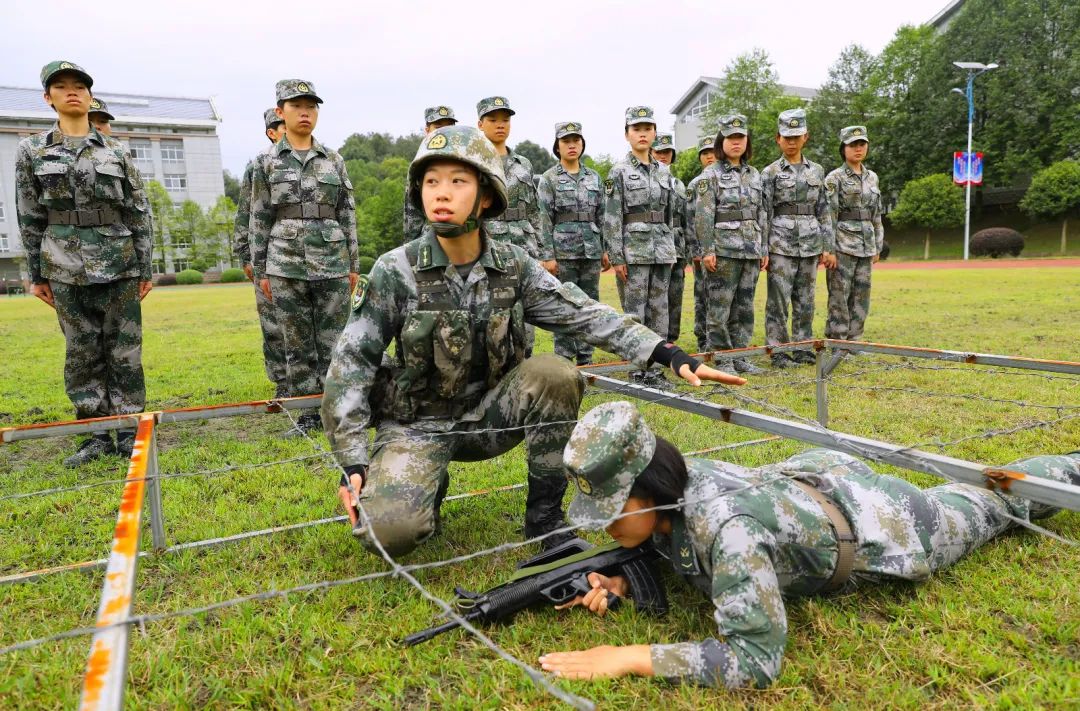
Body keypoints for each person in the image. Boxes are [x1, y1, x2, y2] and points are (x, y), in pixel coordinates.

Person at [320, 126, 745, 558]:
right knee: (385, 536)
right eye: (431, 181)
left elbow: (584, 313)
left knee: (556, 374)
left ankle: (544, 519)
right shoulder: (396, 270)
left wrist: (668, 353)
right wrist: (352, 461)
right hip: (417, 427)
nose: (441, 193)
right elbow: (351, 365)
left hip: (492, 418)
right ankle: (425, 479)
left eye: (457, 181)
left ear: (486, 196)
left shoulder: (514, 268)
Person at [539, 401, 1080, 688]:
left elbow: (753, 660)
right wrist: (622, 581)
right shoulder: (677, 489)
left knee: (996, 498)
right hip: (813, 483)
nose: (604, 526)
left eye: (613, 509)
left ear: (651, 490)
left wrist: (629, 657)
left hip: (886, 523)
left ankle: (1070, 469)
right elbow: (670, 545)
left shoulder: (729, 530)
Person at [15, 60, 152, 465]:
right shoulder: (32, 150)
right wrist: (36, 274)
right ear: (48, 97)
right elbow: (29, 214)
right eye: (61, 86)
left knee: (124, 351)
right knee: (81, 353)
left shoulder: (117, 150)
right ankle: (93, 435)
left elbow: (139, 211)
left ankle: (129, 432)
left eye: (79, 86)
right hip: (63, 264)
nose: (71, 91)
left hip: (120, 260)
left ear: (90, 97)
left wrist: (145, 268)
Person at [249, 79, 359, 434]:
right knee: (296, 344)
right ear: (281, 112)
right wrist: (261, 270)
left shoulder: (333, 160)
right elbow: (259, 217)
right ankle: (306, 415)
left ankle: (337, 409)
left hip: (332, 261)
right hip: (285, 263)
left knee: (335, 340)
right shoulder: (265, 162)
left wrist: (353, 265)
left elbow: (347, 214)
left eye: (311, 107)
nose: (305, 113)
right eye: (297, 107)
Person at [603, 106, 678, 387]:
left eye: (647, 129)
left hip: (661, 249)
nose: (643, 134)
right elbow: (611, 217)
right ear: (627, 135)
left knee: (660, 311)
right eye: (637, 129)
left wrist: (670, 246)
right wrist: (617, 256)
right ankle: (637, 369)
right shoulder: (618, 172)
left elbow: (670, 214)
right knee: (636, 313)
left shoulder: (664, 172)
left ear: (655, 133)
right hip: (633, 251)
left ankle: (656, 370)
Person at [761, 109, 835, 369]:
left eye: (796, 136)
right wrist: (764, 249)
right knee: (778, 301)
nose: (791, 141)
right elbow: (764, 212)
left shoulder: (817, 170)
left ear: (806, 137)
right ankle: (779, 351)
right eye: (786, 136)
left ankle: (803, 349)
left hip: (810, 243)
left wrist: (828, 246)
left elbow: (824, 210)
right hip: (780, 243)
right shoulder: (769, 173)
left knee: (806, 300)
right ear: (778, 139)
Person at [694, 114, 768, 375]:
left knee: (745, 307)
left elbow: (762, 212)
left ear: (747, 141)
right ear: (721, 141)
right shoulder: (710, 175)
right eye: (730, 138)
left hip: (751, 249)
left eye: (740, 137)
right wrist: (707, 250)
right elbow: (703, 215)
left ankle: (742, 356)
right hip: (723, 250)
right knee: (719, 309)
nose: (736, 142)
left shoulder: (755, 174)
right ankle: (723, 359)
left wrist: (764, 248)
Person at [476, 95, 543, 356]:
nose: (500, 124)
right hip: (487, 246)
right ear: (480, 124)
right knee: (489, 310)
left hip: (523, 246)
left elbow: (535, 211)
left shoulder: (523, 164)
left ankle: (525, 364)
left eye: (505, 120)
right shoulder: (473, 161)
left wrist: (543, 250)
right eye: (493, 120)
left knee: (524, 310)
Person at [536, 121, 604, 365]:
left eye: (576, 140)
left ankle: (586, 359)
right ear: (557, 146)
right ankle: (564, 359)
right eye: (566, 141)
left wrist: (604, 249)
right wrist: (547, 255)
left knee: (589, 304)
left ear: (582, 144)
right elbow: (543, 218)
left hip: (591, 250)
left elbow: (602, 215)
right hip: (562, 252)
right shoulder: (549, 179)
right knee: (563, 305)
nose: (572, 145)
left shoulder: (594, 177)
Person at [233, 108, 288, 397]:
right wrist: (245, 255)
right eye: (282, 125)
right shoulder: (258, 165)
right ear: (272, 131)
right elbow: (246, 212)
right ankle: (283, 382)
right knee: (272, 323)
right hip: (265, 255)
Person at [824, 126, 884, 344]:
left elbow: (876, 215)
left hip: (866, 245)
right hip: (843, 245)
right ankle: (838, 341)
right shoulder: (834, 178)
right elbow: (828, 216)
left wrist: (878, 245)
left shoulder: (872, 178)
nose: (858, 149)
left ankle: (855, 340)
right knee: (839, 296)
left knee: (862, 295)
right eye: (853, 145)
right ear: (844, 148)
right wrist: (828, 249)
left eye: (862, 144)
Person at [650, 132, 688, 345]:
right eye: (659, 152)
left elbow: (686, 218)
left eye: (667, 152)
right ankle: (656, 342)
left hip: (678, 247)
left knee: (675, 297)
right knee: (657, 299)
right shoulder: (650, 181)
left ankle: (671, 341)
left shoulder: (679, 184)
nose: (663, 156)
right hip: (656, 247)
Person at [403, 105, 459, 243]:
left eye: (449, 127)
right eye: (438, 127)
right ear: (427, 131)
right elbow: (412, 216)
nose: (444, 132)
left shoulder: (467, 163)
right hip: (430, 241)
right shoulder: (420, 166)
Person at [684, 136, 717, 353]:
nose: (710, 156)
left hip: (725, 247)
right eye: (705, 153)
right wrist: (696, 250)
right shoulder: (696, 184)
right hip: (701, 252)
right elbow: (689, 219)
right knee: (703, 294)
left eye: (713, 151)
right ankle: (703, 338)